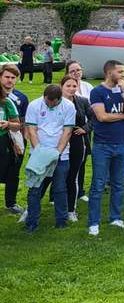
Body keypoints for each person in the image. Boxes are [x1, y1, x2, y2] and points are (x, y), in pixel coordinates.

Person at [88, 60, 124, 236]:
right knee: (98, 185)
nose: (123, 74)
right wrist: (122, 116)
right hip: (102, 145)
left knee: (118, 184)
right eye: (120, 71)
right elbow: (102, 117)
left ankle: (115, 217)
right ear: (109, 73)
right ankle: (94, 222)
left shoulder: (123, 90)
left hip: (121, 146)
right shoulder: (97, 92)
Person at [24, 84, 74, 231]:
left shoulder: (69, 106)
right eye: (48, 101)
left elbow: (67, 131)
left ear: (60, 99)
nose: (50, 104)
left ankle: (61, 222)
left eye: (54, 102)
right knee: (34, 189)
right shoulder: (34, 105)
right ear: (44, 96)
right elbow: (32, 131)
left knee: (59, 189)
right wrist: (40, 153)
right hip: (38, 154)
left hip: (61, 155)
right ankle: (31, 223)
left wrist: (57, 152)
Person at [60, 75, 91, 222]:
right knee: (48, 176)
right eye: (68, 86)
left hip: (77, 141)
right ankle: (32, 208)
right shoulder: (56, 101)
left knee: (73, 176)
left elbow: (94, 118)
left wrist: (85, 128)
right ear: (62, 87)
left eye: (74, 86)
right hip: (58, 142)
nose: (72, 89)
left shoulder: (82, 101)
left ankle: (71, 210)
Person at [0, 64, 28, 215]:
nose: (10, 80)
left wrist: (21, 141)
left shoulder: (21, 98)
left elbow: (23, 122)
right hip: (1, 139)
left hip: (16, 140)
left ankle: (10, 203)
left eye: (13, 77)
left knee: (13, 171)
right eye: (7, 77)